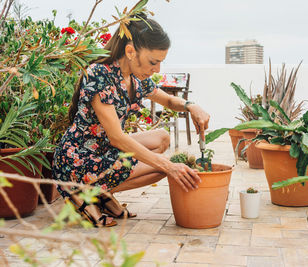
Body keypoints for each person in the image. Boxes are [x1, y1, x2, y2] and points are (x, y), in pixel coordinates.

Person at [52, 13, 210, 227]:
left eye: (160, 63)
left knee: (162, 138)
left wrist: (192, 106)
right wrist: (169, 166)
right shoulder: (100, 74)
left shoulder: (134, 79)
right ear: (130, 52)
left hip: (103, 150)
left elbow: (169, 100)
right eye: (153, 62)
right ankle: (83, 191)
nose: (157, 70)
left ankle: (100, 193)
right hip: (79, 160)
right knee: (164, 167)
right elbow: (117, 137)